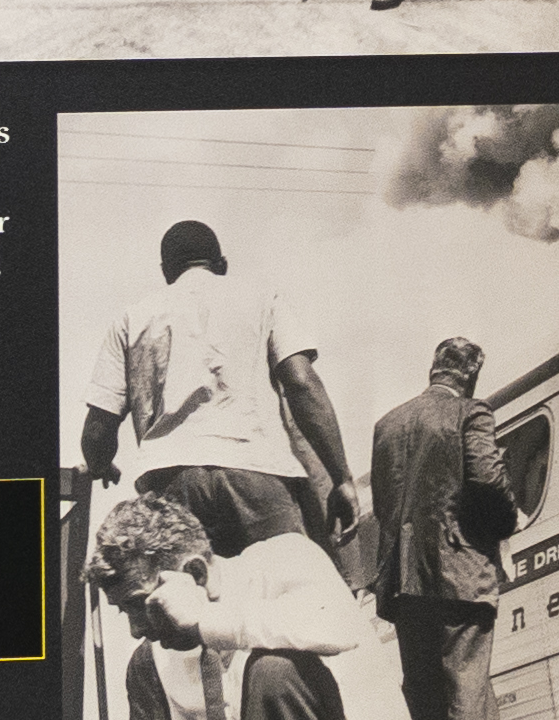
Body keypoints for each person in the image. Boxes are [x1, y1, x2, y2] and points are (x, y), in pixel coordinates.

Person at [82, 219, 361, 555]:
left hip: (167, 482)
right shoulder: (263, 298)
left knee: (187, 599)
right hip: (255, 469)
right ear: (222, 265)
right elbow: (302, 383)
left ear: (166, 271)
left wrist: (100, 464)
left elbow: (98, 429)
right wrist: (341, 477)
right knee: (279, 593)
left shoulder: (131, 318)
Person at [87, 493, 378, 720]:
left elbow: (343, 626)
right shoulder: (151, 659)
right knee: (142, 664)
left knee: (274, 672)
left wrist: (206, 621)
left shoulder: (284, 558)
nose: (135, 630)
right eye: (125, 611)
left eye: (139, 604)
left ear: (195, 573)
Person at [366, 335, 520, 720]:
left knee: (424, 692)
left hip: (402, 583)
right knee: (467, 687)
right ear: (470, 373)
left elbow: (385, 507)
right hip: (461, 578)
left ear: (433, 369)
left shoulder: (387, 425)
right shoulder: (471, 412)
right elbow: (487, 480)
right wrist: (505, 523)